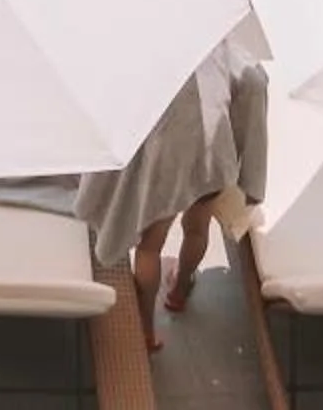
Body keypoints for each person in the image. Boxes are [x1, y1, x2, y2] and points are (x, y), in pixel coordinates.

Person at [78, 32, 267, 351]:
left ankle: (146, 332)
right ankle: (179, 291)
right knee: (197, 228)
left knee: (150, 248)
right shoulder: (221, 46)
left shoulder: (149, 49)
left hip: (168, 161)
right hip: (213, 156)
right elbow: (252, 82)